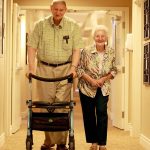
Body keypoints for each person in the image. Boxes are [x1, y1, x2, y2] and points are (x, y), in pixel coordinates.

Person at [27, 0, 83, 150]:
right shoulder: (40, 25)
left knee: (61, 105)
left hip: (65, 69)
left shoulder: (73, 26)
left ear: (66, 10)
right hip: (44, 69)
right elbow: (32, 47)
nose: (58, 12)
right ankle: (49, 141)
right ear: (51, 9)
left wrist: (73, 67)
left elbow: (76, 49)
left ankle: (60, 143)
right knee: (47, 105)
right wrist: (31, 68)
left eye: (61, 10)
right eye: (56, 9)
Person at [77, 25, 117, 150]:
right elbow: (79, 69)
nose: (100, 38)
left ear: (106, 37)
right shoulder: (86, 51)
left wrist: (103, 79)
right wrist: (91, 80)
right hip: (86, 88)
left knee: (101, 113)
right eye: (97, 36)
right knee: (89, 114)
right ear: (94, 37)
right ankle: (93, 142)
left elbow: (114, 70)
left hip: (103, 87)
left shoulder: (111, 51)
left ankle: (102, 143)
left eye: (102, 36)